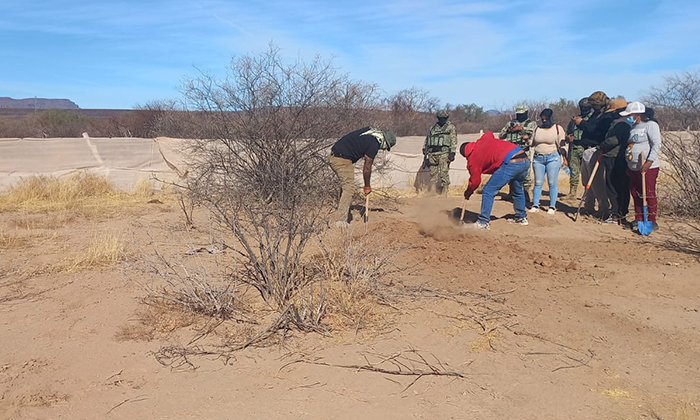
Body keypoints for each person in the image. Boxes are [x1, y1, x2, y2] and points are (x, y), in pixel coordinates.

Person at [460, 131, 531, 230]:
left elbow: (475, 181)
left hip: (511, 162)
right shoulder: (483, 140)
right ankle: (521, 217)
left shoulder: (473, 159)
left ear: (465, 155)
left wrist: (468, 192)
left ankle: (483, 222)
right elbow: (489, 133)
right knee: (517, 188)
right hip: (524, 158)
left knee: (488, 190)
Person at [329, 127, 396, 227]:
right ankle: (341, 221)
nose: (384, 149)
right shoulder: (374, 144)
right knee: (349, 188)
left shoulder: (369, 131)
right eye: (386, 147)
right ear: (384, 141)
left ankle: (342, 212)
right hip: (341, 159)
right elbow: (367, 169)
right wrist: (367, 186)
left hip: (335, 155)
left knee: (345, 186)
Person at [620, 101, 662, 231]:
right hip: (633, 167)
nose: (629, 117)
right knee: (635, 192)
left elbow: (656, 144)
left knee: (648, 193)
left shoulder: (650, 125)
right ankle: (639, 218)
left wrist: (649, 162)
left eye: (630, 114)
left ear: (638, 114)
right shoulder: (633, 127)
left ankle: (651, 220)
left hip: (648, 167)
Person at [573, 91, 614, 217]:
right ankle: (589, 205)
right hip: (587, 149)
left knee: (596, 181)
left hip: (596, 150)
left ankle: (603, 208)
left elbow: (596, 131)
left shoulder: (606, 117)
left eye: (593, 104)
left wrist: (581, 123)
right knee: (586, 181)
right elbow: (589, 129)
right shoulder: (595, 114)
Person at [598, 98, 632, 223]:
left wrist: (601, 145)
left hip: (615, 157)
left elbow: (613, 140)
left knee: (614, 187)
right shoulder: (625, 122)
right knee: (620, 187)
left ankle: (617, 213)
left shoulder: (622, 124)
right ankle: (620, 213)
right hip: (617, 157)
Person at [529, 108, 566, 214]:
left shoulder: (558, 129)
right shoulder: (537, 129)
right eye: (542, 118)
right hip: (538, 158)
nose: (544, 120)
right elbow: (532, 142)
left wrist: (564, 155)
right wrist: (526, 139)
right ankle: (535, 205)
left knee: (552, 182)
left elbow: (562, 143)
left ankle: (552, 206)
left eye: (546, 118)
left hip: (552, 158)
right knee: (538, 182)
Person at [499, 105, 536, 203]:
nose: (520, 116)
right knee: (511, 172)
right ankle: (511, 193)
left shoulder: (531, 123)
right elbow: (501, 136)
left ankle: (526, 194)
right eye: (518, 114)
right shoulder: (511, 123)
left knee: (526, 174)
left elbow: (533, 135)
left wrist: (522, 129)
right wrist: (509, 130)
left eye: (522, 114)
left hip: (524, 150)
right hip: (511, 151)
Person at [423, 109, 458, 195]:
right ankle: (433, 190)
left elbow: (453, 140)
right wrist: (424, 148)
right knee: (433, 172)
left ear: (446, 118)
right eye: (440, 118)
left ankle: (445, 190)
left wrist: (452, 152)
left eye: (444, 118)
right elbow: (428, 138)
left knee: (444, 172)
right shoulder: (433, 128)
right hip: (432, 153)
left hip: (444, 152)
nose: (442, 120)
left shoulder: (450, 127)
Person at [565, 98, 593, 199]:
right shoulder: (575, 120)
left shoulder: (592, 119)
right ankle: (572, 192)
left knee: (587, 172)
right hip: (574, 147)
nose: (583, 109)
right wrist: (568, 137)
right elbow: (567, 132)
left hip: (586, 148)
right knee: (573, 171)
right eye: (582, 107)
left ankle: (587, 194)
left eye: (585, 107)